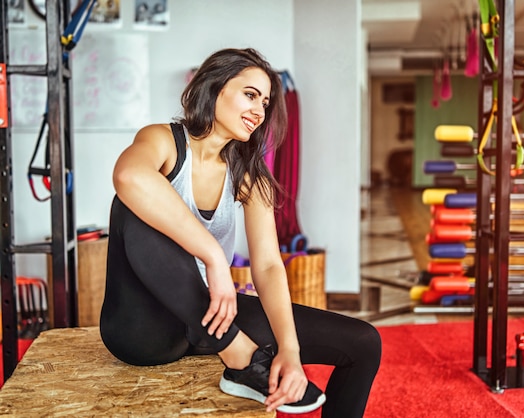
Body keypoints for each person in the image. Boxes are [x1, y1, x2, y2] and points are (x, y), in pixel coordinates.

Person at [99, 48, 382, 417]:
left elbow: (266, 266)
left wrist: (290, 350)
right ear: (214, 88)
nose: (259, 111)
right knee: (131, 205)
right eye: (250, 95)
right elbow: (128, 176)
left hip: (210, 314)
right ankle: (241, 358)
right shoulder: (164, 141)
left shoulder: (249, 175)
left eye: (264, 102)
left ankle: (238, 351)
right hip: (142, 328)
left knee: (363, 342)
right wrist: (214, 257)